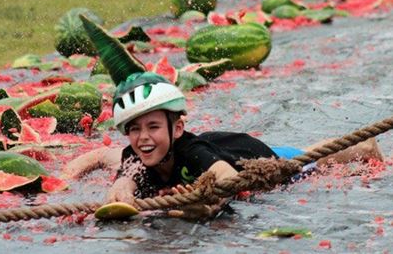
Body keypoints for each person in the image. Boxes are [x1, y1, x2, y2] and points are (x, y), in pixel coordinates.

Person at [64, 72, 384, 217]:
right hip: (223, 144)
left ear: (177, 129)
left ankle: (364, 146)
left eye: (152, 127)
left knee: (307, 159)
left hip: (251, 156)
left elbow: (227, 177)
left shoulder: (193, 153)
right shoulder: (134, 158)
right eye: (134, 129)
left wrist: (204, 201)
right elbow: (99, 155)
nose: (143, 138)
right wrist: (65, 181)